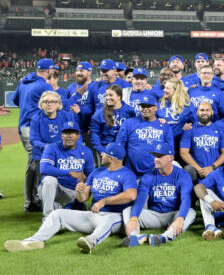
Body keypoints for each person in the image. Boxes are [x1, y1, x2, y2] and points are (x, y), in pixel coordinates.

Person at [4, 143, 137, 254]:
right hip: (93, 216)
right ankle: (33, 241)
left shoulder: (126, 174)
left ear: (112, 158)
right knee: (58, 214)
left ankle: (91, 241)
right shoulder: (97, 172)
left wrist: (105, 201)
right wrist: (79, 191)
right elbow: (83, 198)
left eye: (105, 153)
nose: (101, 154)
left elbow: (131, 195)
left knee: (107, 220)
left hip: (115, 217)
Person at [122, 143, 196, 247]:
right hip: (154, 215)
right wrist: (134, 219)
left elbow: (186, 199)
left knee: (191, 213)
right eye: (155, 156)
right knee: (128, 210)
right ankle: (134, 237)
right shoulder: (148, 176)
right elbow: (140, 200)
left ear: (170, 158)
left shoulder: (183, 176)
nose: (156, 159)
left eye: (160, 156)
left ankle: (163, 237)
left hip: (173, 215)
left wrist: (180, 218)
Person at [13, 58, 56, 212]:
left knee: (36, 162)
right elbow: (55, 103)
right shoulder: (44, 85)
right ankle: (30, 202)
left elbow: (15, 100)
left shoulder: (24, 81)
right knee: (34, 163)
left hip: (24, 125)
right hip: (32, 127)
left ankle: (34, 199)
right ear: (49, 70)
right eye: (53, 70)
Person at [38, 121, 95, 217]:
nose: (69, 136)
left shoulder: (86, 151)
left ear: (78, 136)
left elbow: (90, 175)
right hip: (55, 189)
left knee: (79, 215)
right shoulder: (52, 148)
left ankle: (59, 208)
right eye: (66, 133)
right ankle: (47, 217)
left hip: (72, 191)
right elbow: (44, 169)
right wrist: (70, 172)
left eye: (73, 133)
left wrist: (84, 191)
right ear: (61, 135)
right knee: (49, 180)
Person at [29, 91, 78, 197]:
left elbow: (75, 134)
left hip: (64, 154)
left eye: (53, 101)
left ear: (58, 104)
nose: (49, 104)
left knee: (66, 181)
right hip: (43, 155)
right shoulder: (36, 118)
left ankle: (68, 204)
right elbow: (34, 140)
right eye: (46, 101)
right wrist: (47, 147)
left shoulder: (66, 116)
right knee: (46, 181)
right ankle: (47, 206)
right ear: (41, 104)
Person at [116, 93, 175, 177]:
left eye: (148, 106)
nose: (145, 109)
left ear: (155, 108)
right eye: (143, 106)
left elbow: (170, 150)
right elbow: (119, 145)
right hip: (132, 173)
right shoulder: (129, 123)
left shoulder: (165, 126)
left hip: (156, 173)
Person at [180, 103, 224, 182]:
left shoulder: (220, 129)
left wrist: (212, 168)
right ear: (197, 112)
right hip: (196, 171)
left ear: (212, 112)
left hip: (215, 170)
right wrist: (199, 169)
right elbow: (184, 152)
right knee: (188, 169)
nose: (204, 113)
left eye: (207, 110)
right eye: (202, 110)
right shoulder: (189, 129)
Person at [90, 84, 135, 159]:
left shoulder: (129, 111)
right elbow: (94, 133)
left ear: (119, 96)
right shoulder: (99, 113)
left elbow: (133, 131)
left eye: (111, 95)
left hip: (126, 150)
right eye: (106, 95)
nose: (108, 98)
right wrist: (101, 151)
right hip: (107, 151)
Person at [157, 78, 197, 148]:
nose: (164, 90)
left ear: (176, 91)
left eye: (167, 88)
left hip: (181, 144)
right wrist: (157, 120)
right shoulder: (159, 104)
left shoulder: (188, 105)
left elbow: (195, 124)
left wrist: (188, 127)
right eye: (165, 88)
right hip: (162, 144)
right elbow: (151, 121)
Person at [65, 62, 94, 146]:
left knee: (94, 157)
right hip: (75, 129)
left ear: (89, 72)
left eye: (81, 71)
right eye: (77, 71)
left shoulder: (95, 86)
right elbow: (66, 107)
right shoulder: (71, 87)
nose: (78, 73)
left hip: (90, 129)